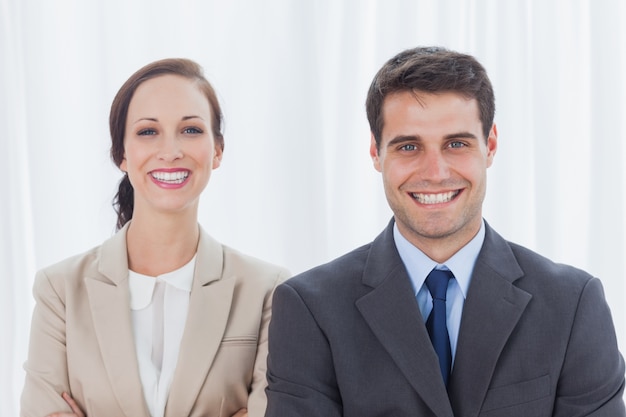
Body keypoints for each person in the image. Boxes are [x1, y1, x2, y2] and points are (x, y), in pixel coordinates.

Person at [264, 46, 625, 416]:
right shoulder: (309, 308)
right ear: (376, 152)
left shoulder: (573, 304)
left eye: (456, 144)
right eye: (408, 146)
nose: (435, 172)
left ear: (491, 145)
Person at [20, 58, 290, 417]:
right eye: (148, 131)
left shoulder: (267, 292)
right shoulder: (60, 292)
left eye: (191, 130)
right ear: (122, 154)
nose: (170, 151)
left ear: (218, 151)